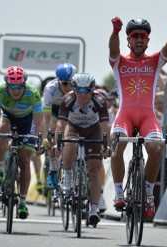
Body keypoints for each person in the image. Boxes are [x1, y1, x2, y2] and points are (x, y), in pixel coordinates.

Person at [108, 16, 167, 219]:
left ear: (148, 40)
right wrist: (115, 32)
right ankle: (118, 193)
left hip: (147, 116)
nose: (139, 40)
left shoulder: (154, 61)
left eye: (143, 36)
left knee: (156, 148)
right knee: (117, 142)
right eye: (135, 36)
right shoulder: (119, 61)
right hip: (125, 115)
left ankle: (148, 193)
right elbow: (113, 50)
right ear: (128, 40)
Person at [55, 73, 110, 226]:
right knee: (70, 144)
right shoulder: (68, 99)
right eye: (79, 90)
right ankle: (67, 175)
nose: (83, 94)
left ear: (92, 90)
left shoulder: (99, 100)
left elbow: (105, 125)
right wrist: (58, 142)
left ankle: (93, 210)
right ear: (74, 89)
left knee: (94, 170)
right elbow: (60, 124)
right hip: (73, 127)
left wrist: (106, 144)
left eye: (87, 91)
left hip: (93, 129)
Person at [0, 65, 44, 219]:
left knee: (25, 160)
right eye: (12, 86)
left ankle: (23, 202)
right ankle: (0, 169)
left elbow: (39, 122)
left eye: (19, 86)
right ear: (7, 85)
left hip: (27, 121)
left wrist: (39, 141)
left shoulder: (32, 93)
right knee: (2, 127)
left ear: (24, 84)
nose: (15, 90)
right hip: (7, 116)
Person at [42, 63, 76, 188]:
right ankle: (53, 168)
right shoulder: (50, 88)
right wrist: (46, 136)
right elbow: (45, 118)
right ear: (58, 81)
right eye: (64, 83)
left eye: (71, 83)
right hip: (54, 110)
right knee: (53, 129)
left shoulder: (78, 87)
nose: (68, 86)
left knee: (69, 130)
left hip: (70, 110)